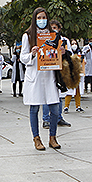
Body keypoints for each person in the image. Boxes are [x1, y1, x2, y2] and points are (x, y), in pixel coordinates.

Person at [20, 8, 63, 150]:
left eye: (44, 17)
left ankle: (52, 137)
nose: (42, 20)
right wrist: (32, 54)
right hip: (35, 76)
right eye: (39, 17)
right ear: (34, 19)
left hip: (50, 76)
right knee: (34, 109)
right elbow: (23, 57)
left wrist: (62, 52)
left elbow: (59, 56)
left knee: (55, 108)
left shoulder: (53, 35)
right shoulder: (28, 35)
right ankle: (36, 138)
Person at [42, 20, 72, 128]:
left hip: (59, 70)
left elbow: (70, 55)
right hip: (47, 70)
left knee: (58, 95)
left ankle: (58, 117)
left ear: (59, 28)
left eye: (55, 27)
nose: (53, 29)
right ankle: (46, 119)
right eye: (51, 27)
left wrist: (64, 52)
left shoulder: (64, 40)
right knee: (46, 96)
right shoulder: (43, 39)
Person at [64, 39, 85, 113]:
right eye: (72, 43)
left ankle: (78, 106)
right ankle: (66, 106)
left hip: (78, 73)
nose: (74, 45)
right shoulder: (68, 53)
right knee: (69, 91)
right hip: (70, 74)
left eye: (75, 43)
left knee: (78, 91)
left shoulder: (80, 53)